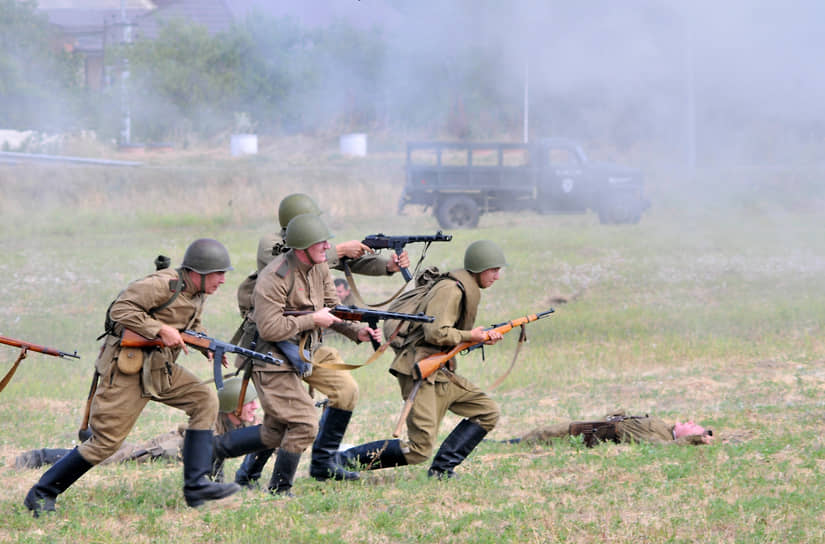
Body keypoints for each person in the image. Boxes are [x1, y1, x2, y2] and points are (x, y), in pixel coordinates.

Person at [23, 239, 240, 517]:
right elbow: (120, 310)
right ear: (198, 272)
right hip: (128, 369)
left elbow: (189, 325)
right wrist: (160, 329)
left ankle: (196, 485)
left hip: (160, 369)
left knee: (204, 400)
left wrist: (206, 345)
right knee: (105, 443)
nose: (223, 280)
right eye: (219, 273)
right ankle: (41, 493)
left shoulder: (198, 293)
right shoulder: (162, 285)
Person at [231, 193, 411, 488]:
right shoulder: (273, 247)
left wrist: (386, 268)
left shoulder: (319, 262)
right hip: (274, 343)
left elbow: (336, 285)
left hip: (308, 342)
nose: (324, 241)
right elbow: (293, 260)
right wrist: (339, 248)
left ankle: (324, 463)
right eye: (313, 227)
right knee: (288, 419)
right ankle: (249, 473)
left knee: (343, 391)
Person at [211, 214, 381, 496]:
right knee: (304, 423)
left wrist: (356, 332)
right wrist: (313, 320)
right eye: (321, 242)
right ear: (302, 247)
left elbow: (332, 308)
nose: (328, 246)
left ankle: (213, 449)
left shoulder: (320, 267)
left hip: (301, 353)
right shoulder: (274, 277)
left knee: (273, 432)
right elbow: (270, 328)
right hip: (270, 358)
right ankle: (280, 489)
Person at [337, 240, 506, 479]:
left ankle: (442, 470)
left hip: (441, 371)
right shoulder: (451, 290)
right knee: (419, 449)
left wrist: (479, 339)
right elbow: (436, 333)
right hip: (421, 372)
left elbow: (445, 334)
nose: (497, 276)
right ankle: (339, 462)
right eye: (494, 270)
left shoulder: (461, 287)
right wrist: (472, 335)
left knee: (487, 411)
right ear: (479, 268)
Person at [14, 377, 259, 471]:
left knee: (113, 449)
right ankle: (40, 457)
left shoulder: (236, 424)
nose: (255, 407)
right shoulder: (211, 430)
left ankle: (91, 438)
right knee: (107, 458)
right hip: (161, 451)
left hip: (167, 448)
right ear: (232, 409)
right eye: (249, 404)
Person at [512, 411, 715, 446]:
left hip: (593, 432)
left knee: (545, 434)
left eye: (693, 428)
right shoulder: (664, 427)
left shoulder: (661, 438)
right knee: (544, 432)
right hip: (598, 425)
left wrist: (695, 440)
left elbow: (660, 447)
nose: (690, 422)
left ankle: (511, 444)